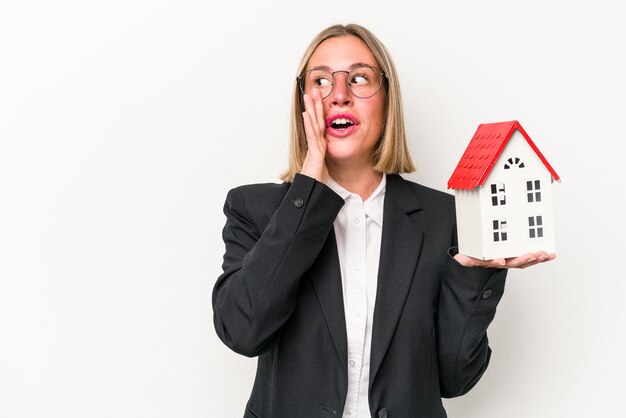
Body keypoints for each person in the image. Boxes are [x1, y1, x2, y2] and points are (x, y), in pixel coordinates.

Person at [212, 23, 555, 418]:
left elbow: (455, 379)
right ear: (302, 103)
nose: (339, 95)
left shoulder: (444, 218)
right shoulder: (253, 209)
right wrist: (307, 189)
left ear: (387, 100)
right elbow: (242, 331)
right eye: (321, 81)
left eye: (359, 79)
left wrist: (475, 273)